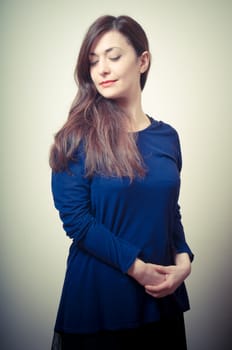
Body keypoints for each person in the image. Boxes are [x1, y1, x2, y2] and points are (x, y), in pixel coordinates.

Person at [49, 15, 194, 350]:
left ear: (142, 61)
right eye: (93, 61)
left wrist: (184, 259)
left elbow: (168, 211)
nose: (102, 69)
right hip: (100, 301)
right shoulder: (75, 138)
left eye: (113, 57)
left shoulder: (167, 137)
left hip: (162, 300)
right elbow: (77, 221)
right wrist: (137, 268)